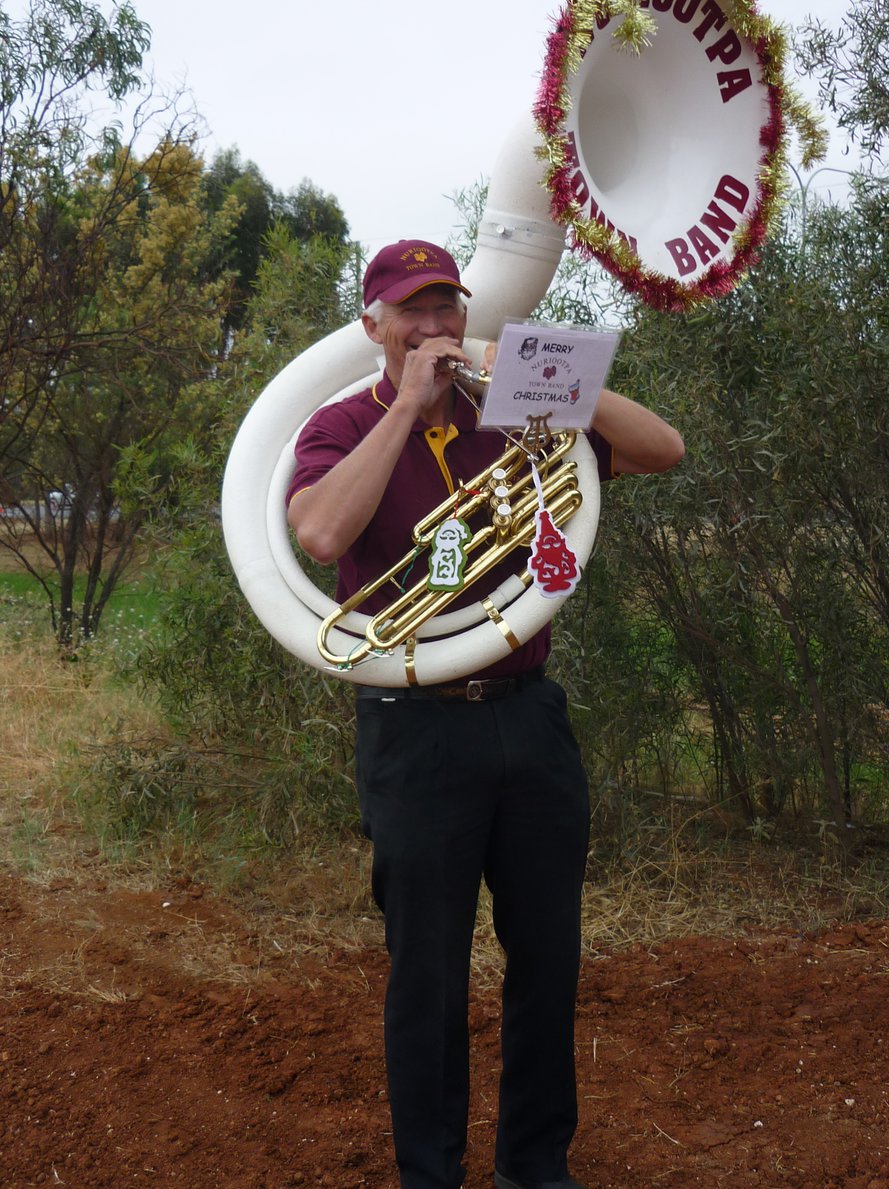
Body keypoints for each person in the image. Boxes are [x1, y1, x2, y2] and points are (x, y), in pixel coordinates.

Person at [286, 240, 684, 1189]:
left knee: (548, 955)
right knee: (426, 973)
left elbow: (663, 449)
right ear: (372, 325)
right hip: (414, 726)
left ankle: (535, 1168)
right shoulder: (339, 423)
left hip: (528, 713)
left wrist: (544, 374)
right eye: (414, 313)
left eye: (448, 311)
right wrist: (408, 414)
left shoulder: (514, 405)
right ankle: (431, 1174)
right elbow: (322, 532)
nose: (436, 330)